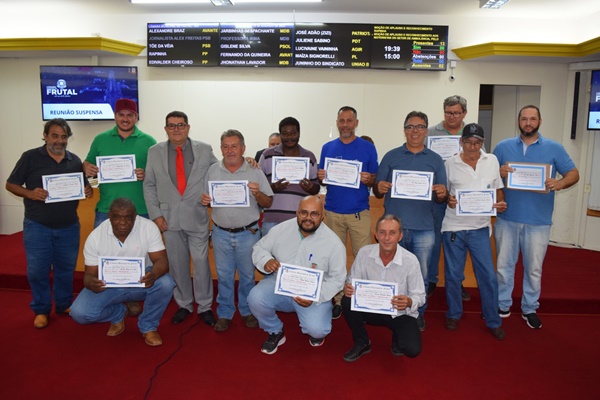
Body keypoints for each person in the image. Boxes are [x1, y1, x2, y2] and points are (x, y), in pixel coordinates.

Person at [493, 105, 579, 329]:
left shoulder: (554, 148)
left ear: (540, 121)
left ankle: (529, 308)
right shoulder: (502, 147)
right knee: (503, 266)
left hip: (538, 221)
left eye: (532, 119)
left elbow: (573, 173)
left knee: (533, 268)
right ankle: (502, 304)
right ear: (518, 121)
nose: (528, 123)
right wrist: (497, 173)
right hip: (507, 218)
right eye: (524, 119)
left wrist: (559, 183)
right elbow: (488, 176)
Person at [6, 118, 93, 329]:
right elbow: (11, 184)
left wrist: (88, 190)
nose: (59, 140)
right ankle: (41, 309)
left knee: (65, 269)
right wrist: (30, 193)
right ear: (45, 136)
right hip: (38, 225)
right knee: (37, 270)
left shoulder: (74, 160)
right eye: (55, 135)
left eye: (64, 137)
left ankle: (63, 304)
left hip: (69, 226)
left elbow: (84, 186)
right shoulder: (30, 157)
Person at [373, 110, 448, 332]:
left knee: (421, 277)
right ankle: (390, 314)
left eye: (419, 127)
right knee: (389, 274)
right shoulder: (391, 156)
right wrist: (379, 187)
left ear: (426, 130)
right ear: (404, 130)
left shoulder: (435, 160)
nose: (414, 131)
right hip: (392, 230)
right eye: (410, 127)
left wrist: (442, 192)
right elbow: (377, 190)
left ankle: (417, 316)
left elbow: (441, 195)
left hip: (424, 229)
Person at [144, 111, 218, 326]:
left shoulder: (204, 149)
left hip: (197, 216)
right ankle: (184, 303)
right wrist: (156, 215)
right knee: (177, 264)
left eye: (181, 125)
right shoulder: (154, 151)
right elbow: (149, 185)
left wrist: (246, 162)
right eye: (171, 125)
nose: (176, 129)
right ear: (165, 128)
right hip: (168, 219)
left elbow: (219, 172)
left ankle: (204, 306)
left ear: (188, 127)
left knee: (202, 263)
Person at [70, 198, 175, 346]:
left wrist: (153, 275)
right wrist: (91, 283)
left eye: (128, 218)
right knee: (79, 313)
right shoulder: (95, 237)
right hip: (110, 285)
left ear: (135, 216)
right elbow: (89, 275)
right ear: (109, 216)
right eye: (117, 217)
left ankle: (148, 326)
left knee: (166, 283)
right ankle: (118, 312)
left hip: (142, 281)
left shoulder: (148, 227)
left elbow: (161, 261)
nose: (122, 222)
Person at [248, 195, 346, 354]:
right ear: (297, 213)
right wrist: (266, 260)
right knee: (255, 297)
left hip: (313, 294)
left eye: (314, 214)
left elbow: (338, 279)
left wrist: (316, 296)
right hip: (280, 286)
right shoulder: (281, 229)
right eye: (303, 213)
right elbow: (259, 248)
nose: (308, 218)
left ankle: (315, 328)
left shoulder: (333, 243)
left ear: (322, 216)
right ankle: (275, 330)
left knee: (317, 330)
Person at [201, 130, 274, 332]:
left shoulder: (254, 170)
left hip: (247, 233)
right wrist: (204, 199)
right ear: (220, 148)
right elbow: (206, 196)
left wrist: (257, 193)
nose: (230, 150)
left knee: (247, 276)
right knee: (223, 276)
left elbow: (268, 201)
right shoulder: (213, 170)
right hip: (220, 232)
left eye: (234, 146)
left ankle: (246, 310)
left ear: (243, 148)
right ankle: (225, 312)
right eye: (225, 146)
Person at [441, 123, 506, 340]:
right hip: (454, 227)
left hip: (480, 227)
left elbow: (497, 189)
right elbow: (444, 193)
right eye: (468, 142)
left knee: (487, 275)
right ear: (461, 141)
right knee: (453, 275)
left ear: (483, 143)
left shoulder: (492, 161)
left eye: (477, 143)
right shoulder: (450, 163)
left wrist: (501, 203)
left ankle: (493, 319)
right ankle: (453, 314)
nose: (472, 146)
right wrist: (449, 200)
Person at [318, 106, 379, 319]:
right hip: (332, 212)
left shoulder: (367, 148)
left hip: (359, 213)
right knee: (335, 259)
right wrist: (321, 175)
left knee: (363, 259)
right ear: (337, 123)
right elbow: (322, 179)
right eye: (342, 120)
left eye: (349, 120)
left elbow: (375, 178)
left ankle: (360, 299)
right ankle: (337, 299)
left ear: (356, 123)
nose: (345, 124)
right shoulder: (327, 148)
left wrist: (368, 179)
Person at [341, 214, 425, 362]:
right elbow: (351, 280)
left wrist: (409, 302)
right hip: (369, 308)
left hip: (398, 312)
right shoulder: (364, 253)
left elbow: (420, 296)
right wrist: (348, 288)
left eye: (392, 233)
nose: (387, 238)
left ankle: (397, 338)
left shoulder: (410, 260)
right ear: (376, 235)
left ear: (400, 236)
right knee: (346, 301)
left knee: (412, 350)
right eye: (382, 232)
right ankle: (362, 342)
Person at [82, 98, 156, 227]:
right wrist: (87, 168)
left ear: (136, 117)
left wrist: (146, 175)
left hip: (141, 210)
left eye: (130, 115)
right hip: (107, 209)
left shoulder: (149, 142)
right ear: (114, 116)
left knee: (142, 248)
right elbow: (87, 163)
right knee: (102, 247)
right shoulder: (100, 139)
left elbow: (159, 175)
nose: (125, 119)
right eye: (121, 115)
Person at [427, 95, 471, 301]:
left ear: (464, 113)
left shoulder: (472, 134)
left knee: (457, 243)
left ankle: (457, 281)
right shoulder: (430, 134)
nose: (451, 116)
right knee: (433, 240)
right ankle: (431, 280)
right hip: (434, 198)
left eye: (456, 113)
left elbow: (480, 164)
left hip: (460, 200)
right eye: (448, 112)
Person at [258, 117, 320, 236]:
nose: (289, 137)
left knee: (298, 254)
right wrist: (272, 188)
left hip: (300, 221)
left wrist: (311, 188)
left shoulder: (309, 156)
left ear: (299, 134)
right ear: (280, 135)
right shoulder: (267, 155)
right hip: (272, 220)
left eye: (293, 133)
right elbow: (259, 187)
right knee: (269, 254)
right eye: (285, 134)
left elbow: (316, 188)